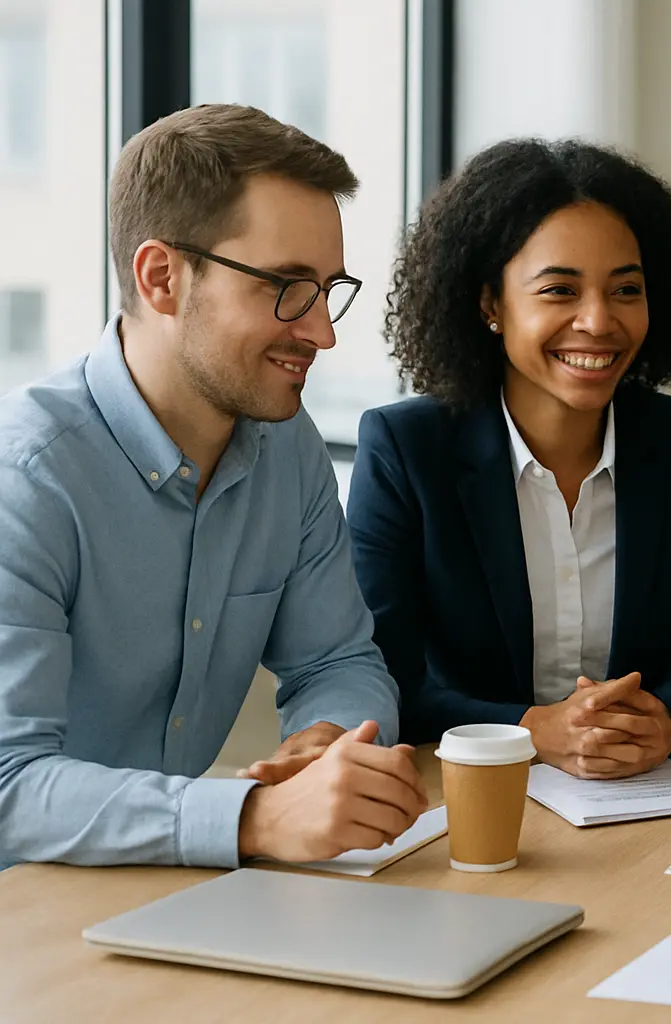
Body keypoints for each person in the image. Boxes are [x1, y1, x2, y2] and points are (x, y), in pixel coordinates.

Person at [0, 104, 428, 870]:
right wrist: (254, 818)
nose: (323, 332)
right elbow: (8, 788)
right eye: (288, 288)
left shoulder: (286, 449)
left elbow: (337, 662)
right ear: (162, 278)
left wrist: (327, 745)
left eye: (330, 290)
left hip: (164, 900)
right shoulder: (25, 482)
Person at [347, 139, 671, 779]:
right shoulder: (406, 449)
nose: (598, 321)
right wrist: (532, 728)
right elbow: (382, 673)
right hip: (469, 795)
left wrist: (665, 722)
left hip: (643, 797)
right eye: (559, 290)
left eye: (626, 289)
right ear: (489, 305)